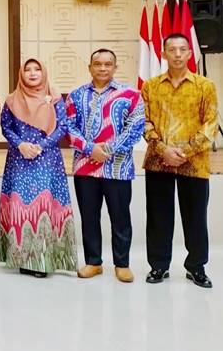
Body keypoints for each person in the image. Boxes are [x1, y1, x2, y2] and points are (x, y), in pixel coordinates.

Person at [142, 33, 217, 289]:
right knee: (158, 217)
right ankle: (159, 266)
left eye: (182, 49)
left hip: (194, 163)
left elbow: (211, 124)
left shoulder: (205, 85)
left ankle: (196, 267)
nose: (176, 54)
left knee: (195, 218)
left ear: (189, 53)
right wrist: (163, 149)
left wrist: (183, 152)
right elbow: (144, 121)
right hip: (157, 161)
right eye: (171, 49)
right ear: (163, 53)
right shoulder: (150, 86)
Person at [66, 49, 144, 283]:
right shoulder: (75, 95)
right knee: (89, 216)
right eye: (97, 64)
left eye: (107, 64)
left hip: (117, 168)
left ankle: (122, 264)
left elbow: (136, 127)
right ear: (89, 67)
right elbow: (69, 128)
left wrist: (106, 151)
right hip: (84, 168)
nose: (102, 68)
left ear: (115, 67)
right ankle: (93, 262)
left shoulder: (130, 95)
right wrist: (91, 150)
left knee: (120, 217)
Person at [0, 58, 78, 278]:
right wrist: (21, 145)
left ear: (44, 73)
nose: (32, 73)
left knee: (44, 207)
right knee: (19, 205)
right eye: (28, 70)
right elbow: (5, 127)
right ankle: (22, 258)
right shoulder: (12, 99)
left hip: (47, 159)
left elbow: (63, 127)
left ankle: (42, 260)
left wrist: (41, 146)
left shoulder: (55, 97)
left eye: (37, 69)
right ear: (21, 74)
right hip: (19, 158)